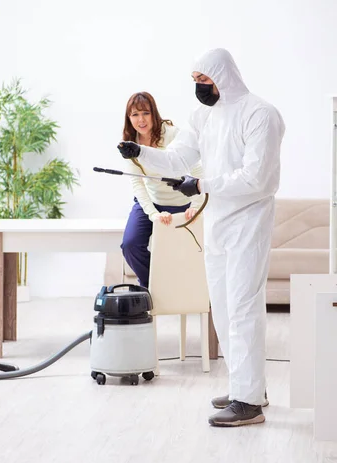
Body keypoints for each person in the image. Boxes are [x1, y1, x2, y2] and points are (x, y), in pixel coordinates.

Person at [118, 48, 285, 427]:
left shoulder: (260, 113)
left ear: (224, 76)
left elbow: (257, 178)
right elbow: (178, 158)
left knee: (243, 306)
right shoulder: (203, 116)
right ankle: (247, 388)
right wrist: (141, 152)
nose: (200, 88)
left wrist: (202, 183)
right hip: (218, 221)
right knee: (224, 308)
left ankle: (248, 402)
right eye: (195, 82)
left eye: (204, 81)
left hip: (249, 220)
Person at [120, 91, 202, 289]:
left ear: (154, 114)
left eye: (145, 113)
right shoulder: (130, 145)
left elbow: (198, 170)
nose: (141, 120)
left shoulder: (173, 134)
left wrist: (196, 206)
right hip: (152, 202)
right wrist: (154, 214)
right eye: (135, 115)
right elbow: (137, 183)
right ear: (128, 118)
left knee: (194, 251)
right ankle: (155, 287)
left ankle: (193, 292)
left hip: (183, 203)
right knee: (130, 245)